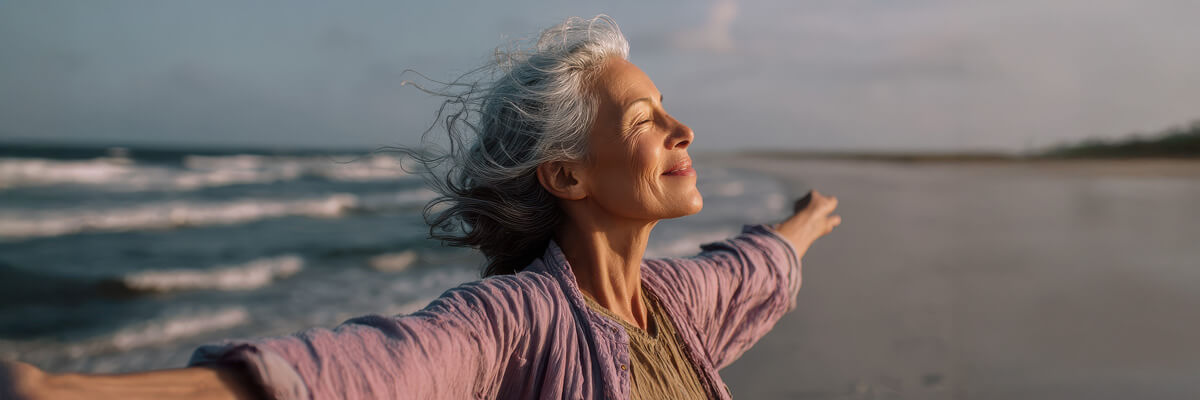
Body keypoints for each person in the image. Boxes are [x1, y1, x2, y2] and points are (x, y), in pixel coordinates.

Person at [0, 15, 840, 400]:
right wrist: (67, 391)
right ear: (568, 177)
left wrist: (804, 220)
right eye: (644, 119)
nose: (681, 126)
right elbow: (364, 369)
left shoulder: (674, 302)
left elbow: (751, 267)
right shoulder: (515, 321)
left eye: (668, 106)